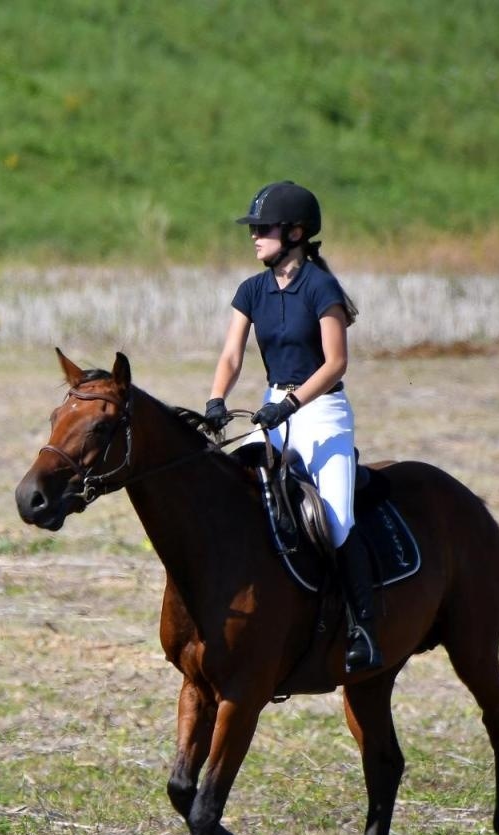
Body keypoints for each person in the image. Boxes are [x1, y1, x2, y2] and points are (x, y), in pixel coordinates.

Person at [202, 180, 382, 673]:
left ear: (296, 232)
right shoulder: (251, 290)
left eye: (263, 229)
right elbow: (231, 354)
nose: (254, 236)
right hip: (271, 407)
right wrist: (217, 398)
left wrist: (293, 403)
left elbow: (336, 362)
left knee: (338, 519)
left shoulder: (322, 289)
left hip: (322, 412)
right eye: (253, 229)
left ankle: (363, 627)